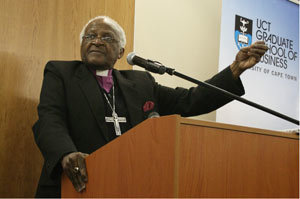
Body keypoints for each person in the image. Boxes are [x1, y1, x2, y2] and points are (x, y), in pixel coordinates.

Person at [32, 15, 268, 198]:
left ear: (121, 52)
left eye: (106, 38)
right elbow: (50, 119)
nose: (96, 41)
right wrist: (66, 153)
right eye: (90, 36)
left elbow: (189, 100)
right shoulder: (60, 73)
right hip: (75, 187)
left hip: (130, 188)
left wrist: (235, 70)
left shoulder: (140, 82)